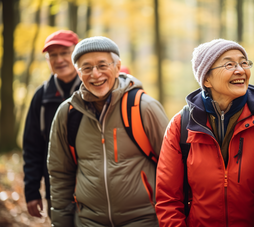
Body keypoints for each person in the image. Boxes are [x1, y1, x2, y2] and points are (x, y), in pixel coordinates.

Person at [155, 39, 254, 227]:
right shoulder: (182, 125)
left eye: (244, 63)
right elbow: (168, 200)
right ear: (206, 79)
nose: (241, 70)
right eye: (229, 64)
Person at [47, 36, 169, 227]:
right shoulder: (67, 113)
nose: (95, 74)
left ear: (117, 66)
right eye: (87, 68)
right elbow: (60, 173)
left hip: (144, 220)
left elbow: (172, 167)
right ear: (78, 73)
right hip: (88, 221)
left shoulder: (144, 108)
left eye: (102, 65)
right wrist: (61, 221)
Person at [23, 30, 81, 219]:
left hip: (93, 187)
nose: (59, 59)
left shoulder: (93, 90)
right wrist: (31, 191)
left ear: (77, 53)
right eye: (53, 55)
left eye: (64, 53)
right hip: (55, 190)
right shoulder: (41, 97)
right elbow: (32, 147)